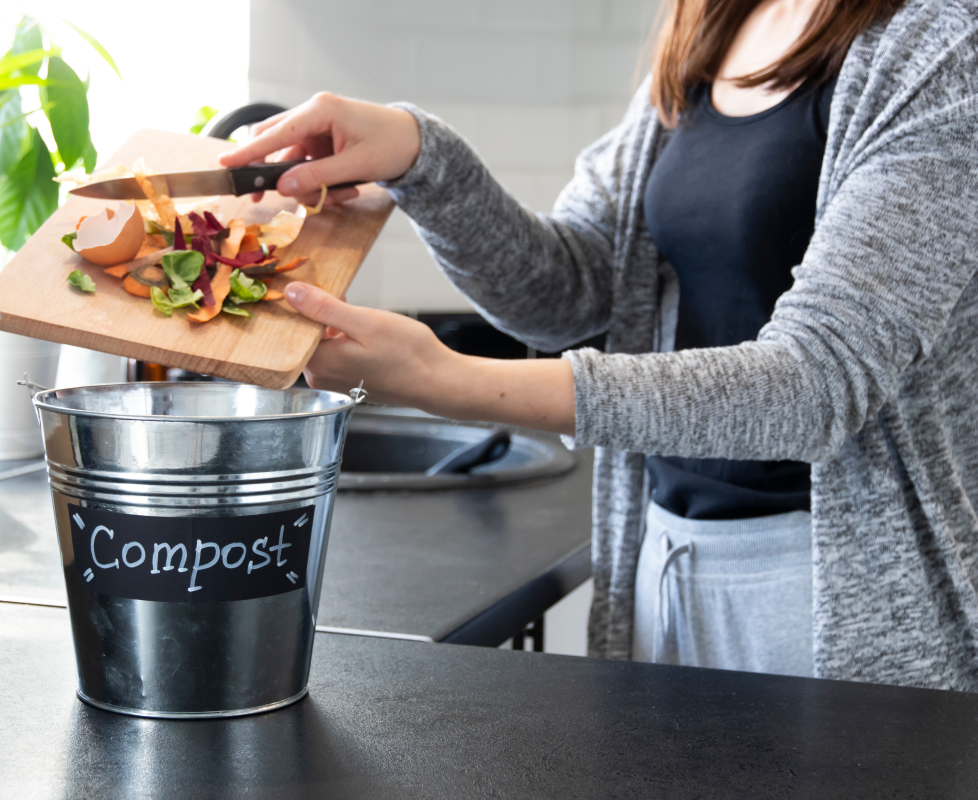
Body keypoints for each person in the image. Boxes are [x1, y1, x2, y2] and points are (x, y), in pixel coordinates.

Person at [220, 0, 978, 690]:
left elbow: (816, 385)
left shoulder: (942, 46)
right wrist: (422, 156)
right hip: (662, 556)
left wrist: (440, 378)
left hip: (840, 594)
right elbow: (567, 292)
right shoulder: (710, 29)